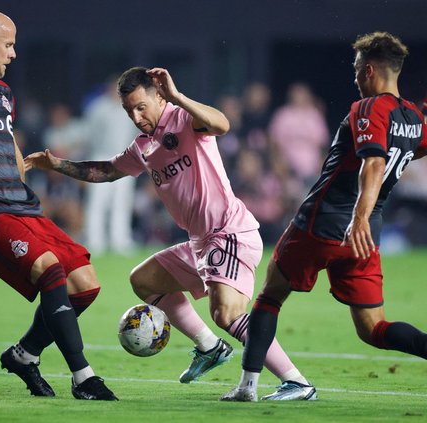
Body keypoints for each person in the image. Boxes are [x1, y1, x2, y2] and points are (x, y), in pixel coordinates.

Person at [25, 66, 316, 400]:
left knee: (227, 314)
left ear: (158, 96)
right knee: (144, 280)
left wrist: (177, 96)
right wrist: (58, 164)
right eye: (128, 110)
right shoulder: (143, 147)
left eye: (140, 107)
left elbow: (222, 124)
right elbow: (106, 171)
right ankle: (209, 348)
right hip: (199, 244)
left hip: (228, 233)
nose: (135, 116)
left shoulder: (184, 119)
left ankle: (296, 381)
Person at [221, 31, 427, 402]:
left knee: (269, 297)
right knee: (373, 328)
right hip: (367, 238)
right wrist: (365, 220)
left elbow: (375, 161)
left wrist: (358, 217)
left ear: (367, 70)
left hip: (325, 222)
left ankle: (247, 387)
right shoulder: (413, 118)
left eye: (355, 70)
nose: (353, 78)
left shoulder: (367, 108)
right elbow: (406, 151)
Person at [0, 8, 117, 401]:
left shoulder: (3, 94)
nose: (14, 54)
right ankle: (84, 377)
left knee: (85, 284)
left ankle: (25, 355)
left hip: (21, 207)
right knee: (49, 267)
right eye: (8, 45)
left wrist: (22, 171)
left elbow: (8, 145)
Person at [82, 77, 138, 254]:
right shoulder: (97, 108)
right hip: (101, 157)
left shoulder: (130, 107)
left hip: (125, 158)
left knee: (122, 202)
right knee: (98, 202)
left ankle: (120, 240)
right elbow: (89, 135)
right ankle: (95, 240)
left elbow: (136, 133)